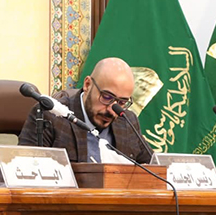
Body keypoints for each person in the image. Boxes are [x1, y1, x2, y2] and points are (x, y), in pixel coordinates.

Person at [18, 57, 153, 164]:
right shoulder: (51, 117)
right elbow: (25, 169)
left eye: (122, 102)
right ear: (87, 85)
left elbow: (155, 168)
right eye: (107, 97)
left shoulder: (127, 122)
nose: (112, 110)